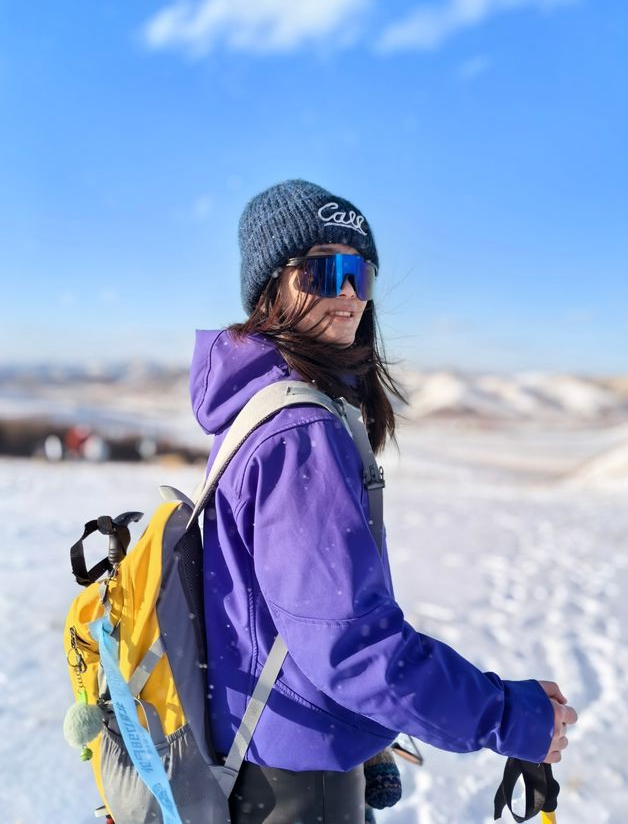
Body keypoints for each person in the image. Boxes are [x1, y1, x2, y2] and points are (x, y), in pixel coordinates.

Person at [189, 179, 577, 823]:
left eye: (359, 272)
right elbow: (350, 648)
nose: (347, 294)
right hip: (299, 783)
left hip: (274, 756)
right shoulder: (298, 430)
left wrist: (365, 733)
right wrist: (509, 714)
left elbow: (299, 621)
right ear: (268, 289)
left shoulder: (262, 406)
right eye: (323, 270)